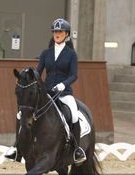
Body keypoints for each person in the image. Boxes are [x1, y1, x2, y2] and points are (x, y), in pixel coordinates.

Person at [5, 18, 86, 164]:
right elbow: (38, 72)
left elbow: (74, 75)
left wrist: (63, 85)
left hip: (64, 93)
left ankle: (76, 149)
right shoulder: (45, 53)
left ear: (66, 34)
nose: (57, 34)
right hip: (47, 92)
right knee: (21, 114)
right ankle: (17, 147)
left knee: (73, 114)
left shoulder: (71, 54)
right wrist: (29, 77)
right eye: (55, 31)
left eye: (60, 32)